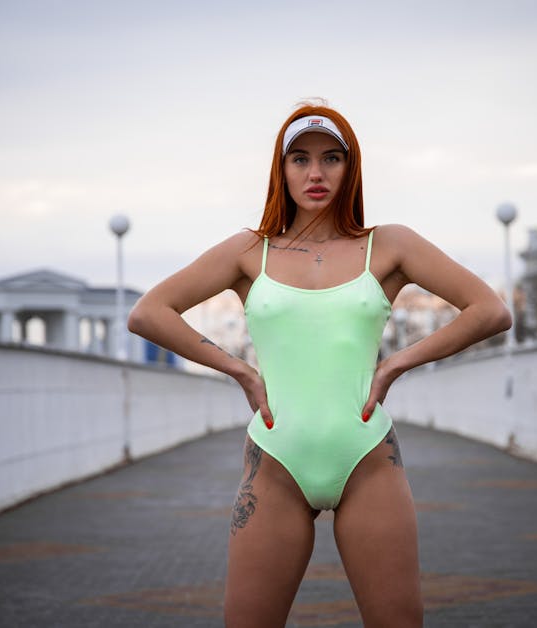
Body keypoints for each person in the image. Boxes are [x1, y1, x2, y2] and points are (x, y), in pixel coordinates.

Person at [127, 103, 512, 627]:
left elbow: (490, 310)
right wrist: (240, 370)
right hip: (275, 459)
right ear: (279, 170)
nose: (315, 173)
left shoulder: (388, 245)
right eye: (300, 160)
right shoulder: (250, 252)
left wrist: (396, 364)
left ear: (350, 169)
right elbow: (148, 312)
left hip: (367, 458)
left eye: (332, 158)